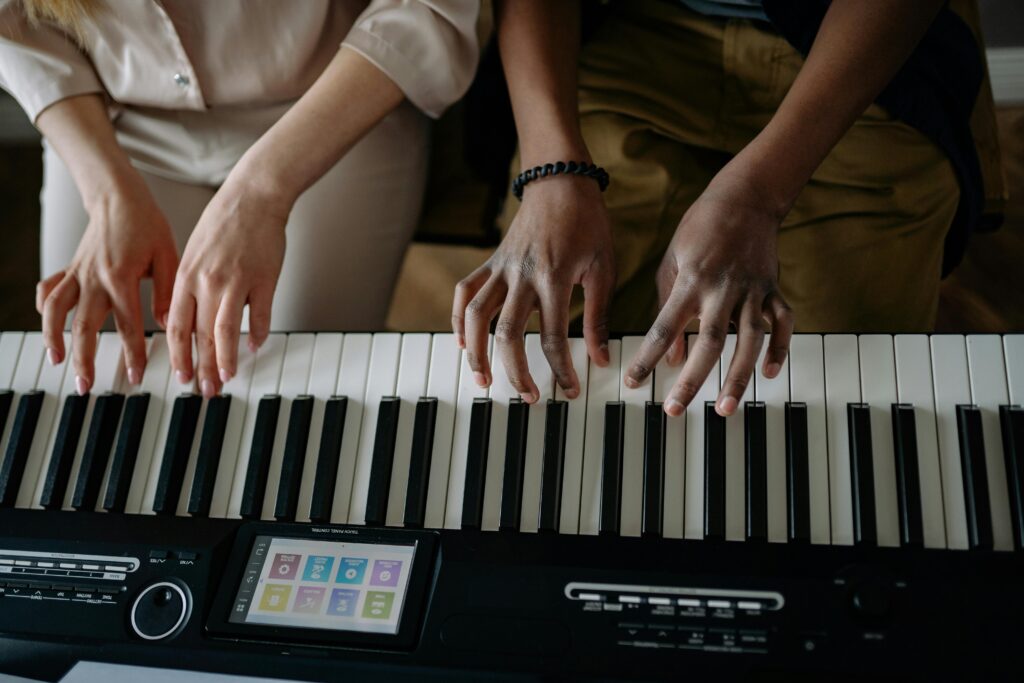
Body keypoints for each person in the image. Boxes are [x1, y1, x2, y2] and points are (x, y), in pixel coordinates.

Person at [453, 0, 997, 417]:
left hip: (851, 55)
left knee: (835, 384)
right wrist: (553, 172)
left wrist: (759, 196)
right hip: (634, 28)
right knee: (534, 351)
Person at [0, 0, 480, 397]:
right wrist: (106, 195)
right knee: (100, 379)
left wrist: (261, 192)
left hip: (328, 106)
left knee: (293, 382)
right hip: (110, 120)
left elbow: (425, 7)